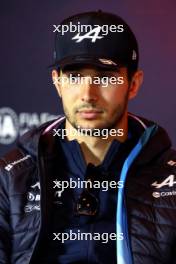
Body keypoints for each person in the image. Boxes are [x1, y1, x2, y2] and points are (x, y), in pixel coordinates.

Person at [0, 10, 176, 264]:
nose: (88, 94)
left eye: (104, 77)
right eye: (74, 76)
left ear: (133, 84)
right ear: (57, 82)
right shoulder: (10, 177)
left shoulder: (169, 179)